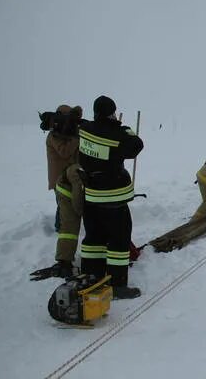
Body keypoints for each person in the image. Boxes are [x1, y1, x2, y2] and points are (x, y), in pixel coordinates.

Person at [78, 95, 144, 299]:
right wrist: (124, 128)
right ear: (112, 113)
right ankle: (117, 284)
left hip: (90, 195)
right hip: (112, 198)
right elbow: (136, 146)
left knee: (93, 239)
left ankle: (91, 276)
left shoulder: (85, 130)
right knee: (119, 241)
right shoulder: (117, 134)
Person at [45, 105, 83, 231]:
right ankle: (59, 227)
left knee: (67, 202)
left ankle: (61, 225)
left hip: (69, 175)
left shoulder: (68, 134)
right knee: (63, 204)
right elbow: (64, 152)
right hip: (59, 177)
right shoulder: (53, 136)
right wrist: (76, 139)